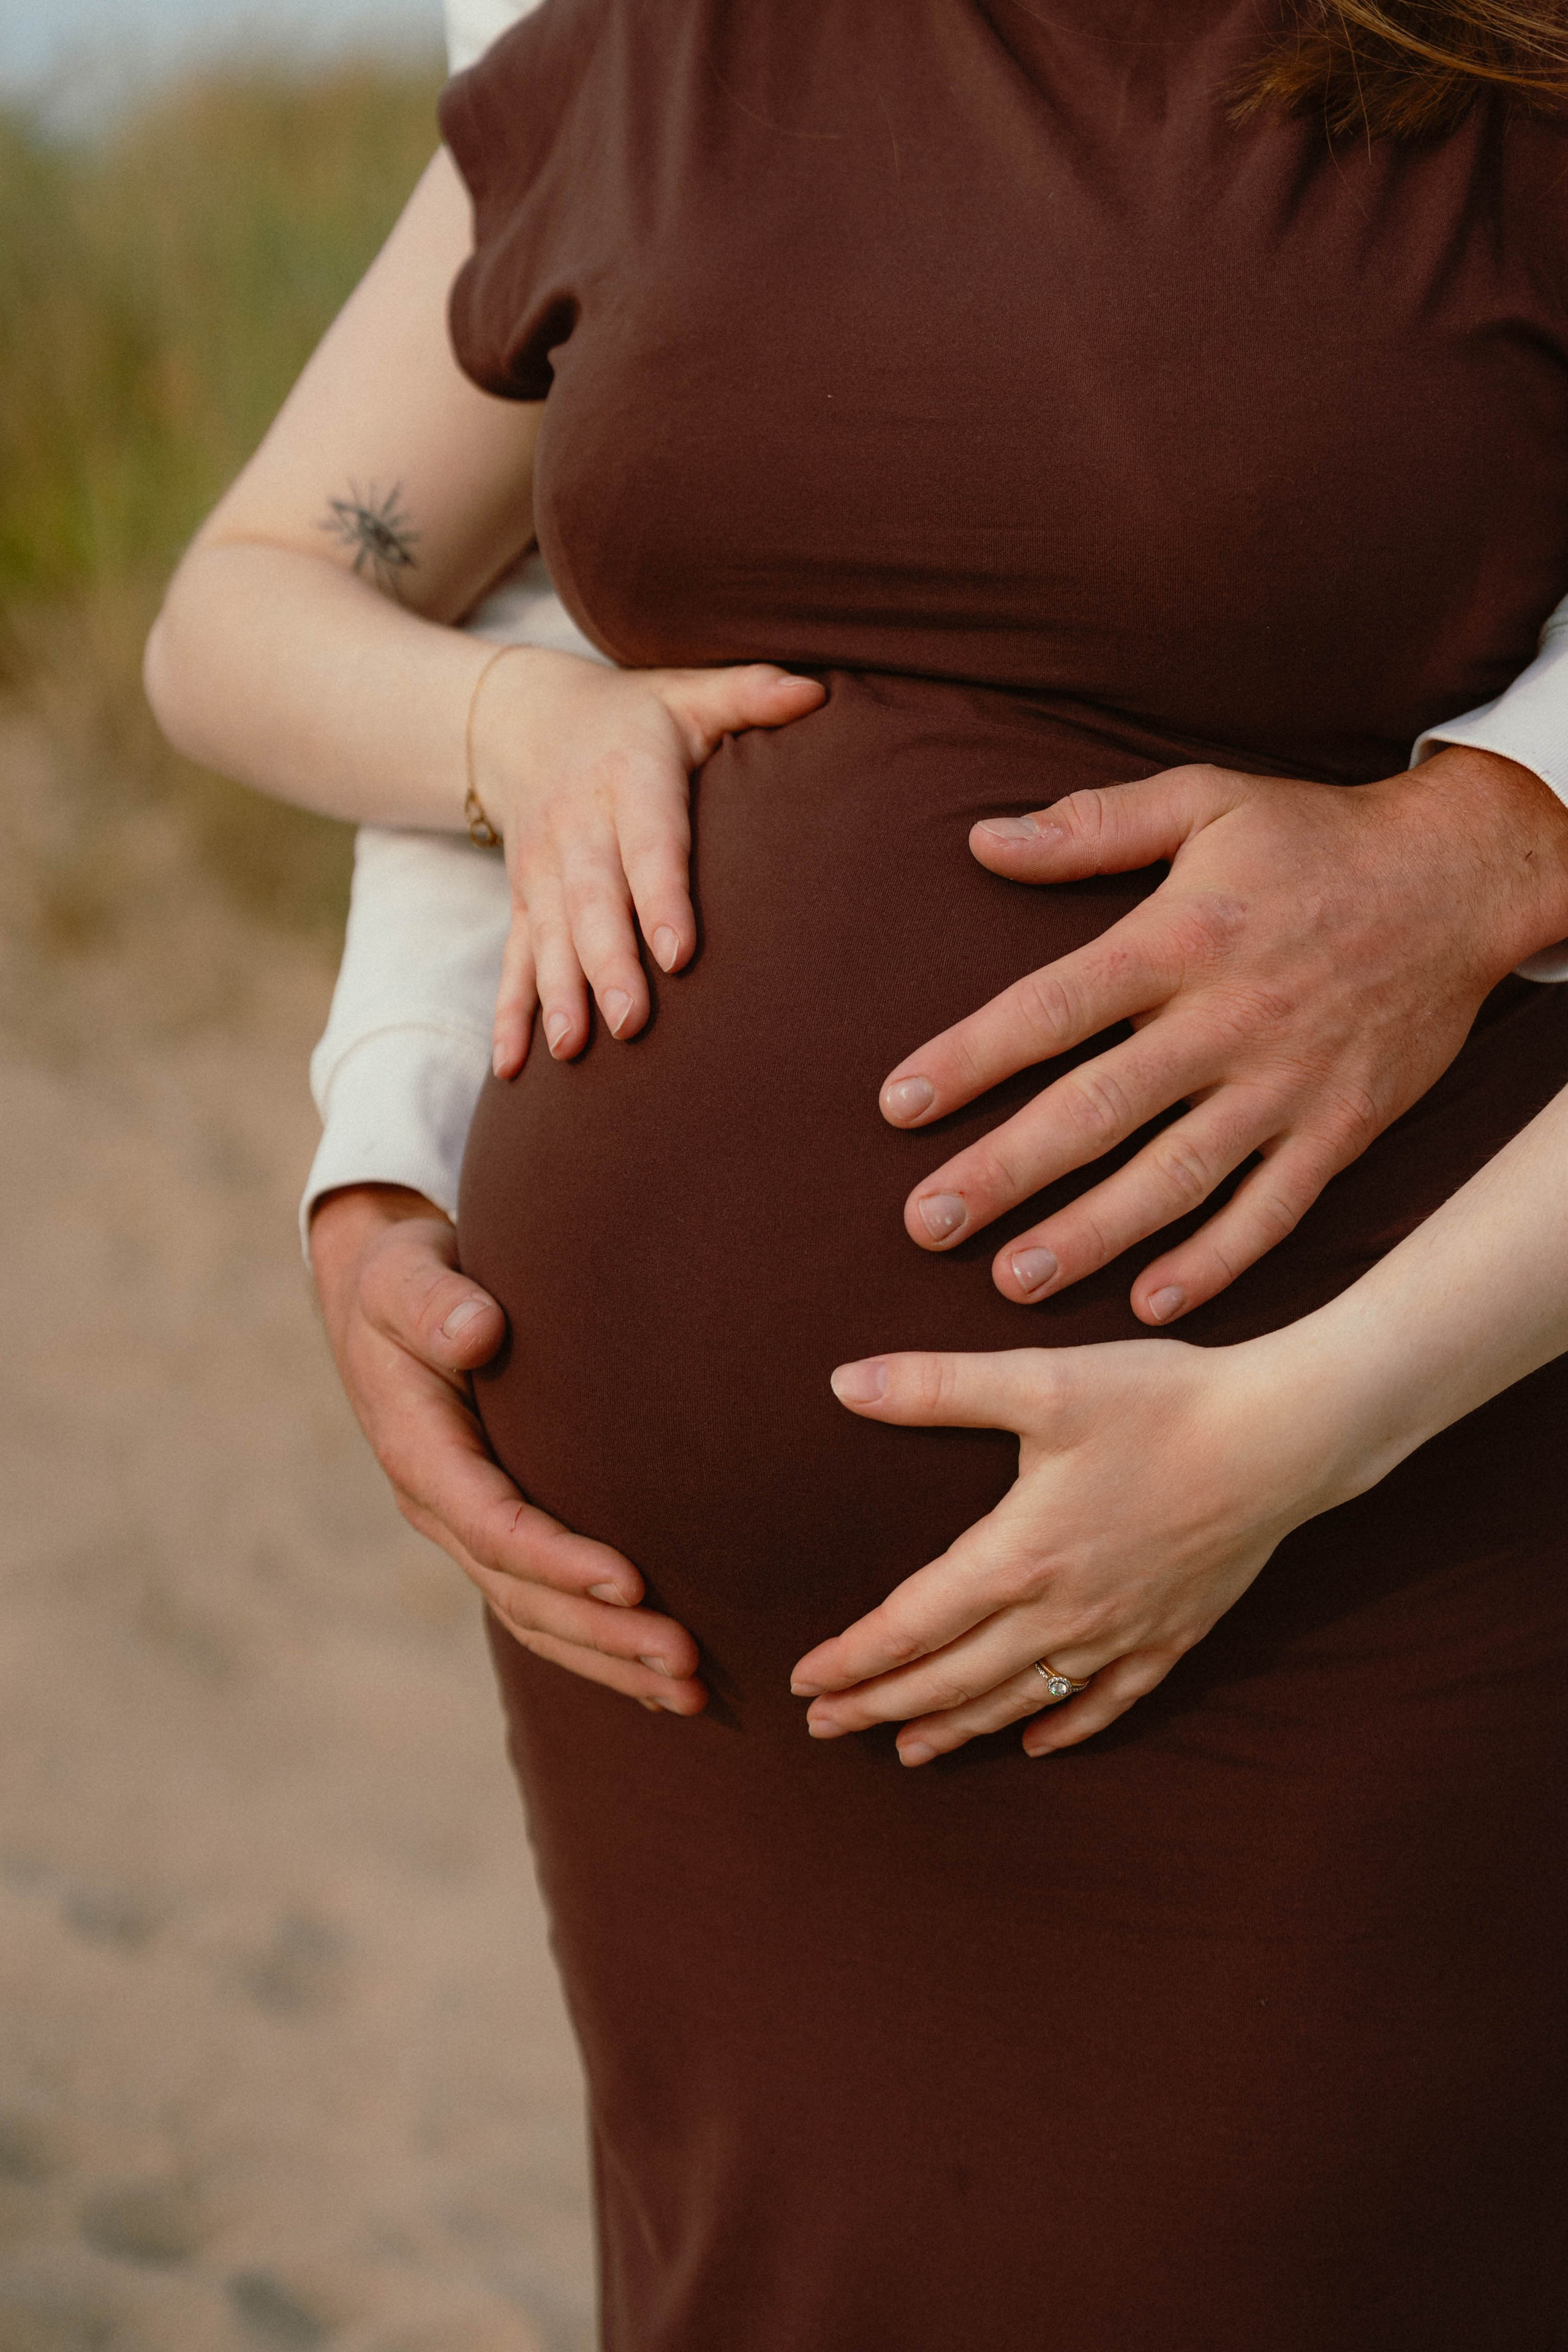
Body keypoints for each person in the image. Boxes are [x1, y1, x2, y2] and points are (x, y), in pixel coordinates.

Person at [145, 0, 1568, 2340]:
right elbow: (311, 599)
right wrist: (389, 1128)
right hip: (703, 1720)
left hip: (1339, 1589)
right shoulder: (635, 38)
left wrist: (1296, 1425)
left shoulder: (1490, 65)